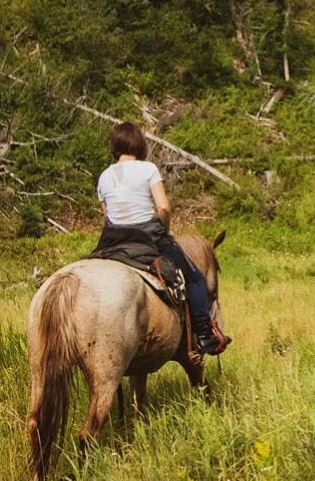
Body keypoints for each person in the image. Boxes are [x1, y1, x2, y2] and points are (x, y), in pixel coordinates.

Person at [93, 123, 227, 354]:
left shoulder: (104, 176)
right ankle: (205, 335)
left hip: (113, 240)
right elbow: (163, 207)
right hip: (147, 236)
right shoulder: (148, 169)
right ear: (139, 144)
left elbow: (107, 216)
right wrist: (164, 230)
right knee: (194, 277)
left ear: (114, 146)